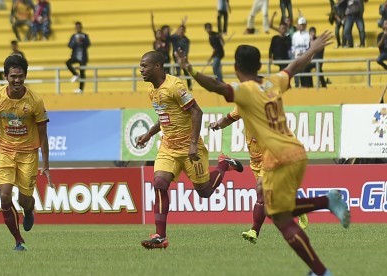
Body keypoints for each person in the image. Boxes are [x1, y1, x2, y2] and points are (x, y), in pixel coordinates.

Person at [174, 31, 350, 276]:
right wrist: (312, 49)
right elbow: (295, 66)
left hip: (279, 156)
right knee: (279, 212)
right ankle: (320, 260)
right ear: (259, 65)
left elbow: (215, 85)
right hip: (295, 151)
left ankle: (325, 226)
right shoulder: (273, 81)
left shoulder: (244, 91)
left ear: (236, 67)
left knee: (280, 216)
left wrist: (189, 69)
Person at [138, 50, 244, 249]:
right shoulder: (153, 91)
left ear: (158, 67)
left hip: (189, 147)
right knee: (159, 183)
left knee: (205, 192)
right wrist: (149, 135)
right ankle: (160, 236)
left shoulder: (175, 86)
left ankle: (223, 164)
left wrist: (193, 143)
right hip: (168, 147)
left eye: (145, 66)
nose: (141, 70)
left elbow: (197, 111)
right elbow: (164, 117)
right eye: (141, 66)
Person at [0, 54, 52, 251]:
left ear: (25, 76)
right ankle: (18, 241)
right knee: (4, 196)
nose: (17, 80)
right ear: (6, 76)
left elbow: (44, 134)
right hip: (3, 151)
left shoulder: (35, 101)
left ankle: (29, 210)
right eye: (13, 76)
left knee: (24, 200)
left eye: (20, 76)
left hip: (28, 154)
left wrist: (46, 164)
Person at [209, 108, 308, 244]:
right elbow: (228, 119)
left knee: (260, 192)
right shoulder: (242, 107)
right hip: (255, 161)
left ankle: (254, 231)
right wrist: (217, 125)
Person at [66, 21, 90, 94]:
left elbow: (88, 44)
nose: (78, 28)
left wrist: (82, 41)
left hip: (83, 57)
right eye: (77, 27)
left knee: (82, 72)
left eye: (79, 27)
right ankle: (75, 74)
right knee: (68, 63)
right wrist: (75, 41)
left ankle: (81, 89)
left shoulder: (85, 36)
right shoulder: (73, 36)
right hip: (75, 56)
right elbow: (69, 45)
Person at [171, 19, 192, 90]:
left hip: (183, 57)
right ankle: (176, 87)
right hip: (176, 57)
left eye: (182, 30)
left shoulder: (186, 40)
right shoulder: (175, 38)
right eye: (180, 30)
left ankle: (190, 86)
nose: (181, 31)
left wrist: (184, 57)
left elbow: (186, 49)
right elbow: (170, 37)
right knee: (177, 72)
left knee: (186, 71)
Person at [291, 17, 312, 87]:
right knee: (296, 74)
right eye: (300, 24)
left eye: (303, 25)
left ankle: (306, 86)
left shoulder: (308, 35)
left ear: (305, 25)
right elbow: (293, 46)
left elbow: (309, 47)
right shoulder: (295, 35)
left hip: (305, 58)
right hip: (296, 58)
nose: (302, 26)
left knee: (305, 75)